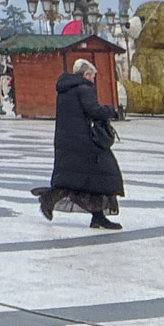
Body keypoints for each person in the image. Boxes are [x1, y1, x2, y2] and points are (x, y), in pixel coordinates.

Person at [34, 57, 124, 230]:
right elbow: (93, 110)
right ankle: (50, 199)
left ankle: (97, 216)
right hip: (83, 142)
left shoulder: (65, 89)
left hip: (68, 140)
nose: (93, 80)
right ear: (86, 74)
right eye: (92, 76)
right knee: (104, 173)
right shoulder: (84, 88)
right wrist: (110, 111)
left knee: (80, 178)